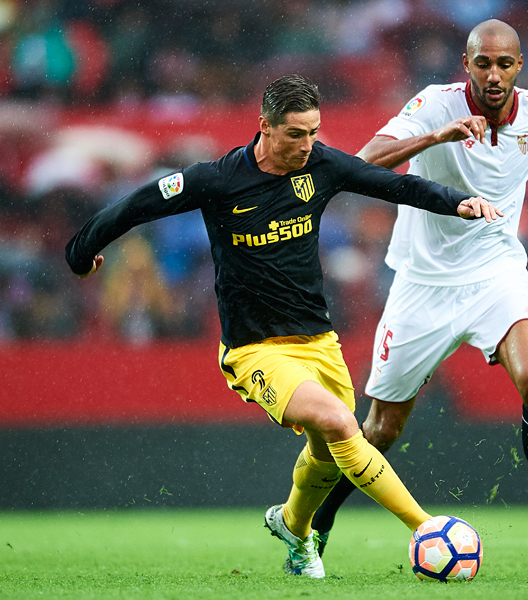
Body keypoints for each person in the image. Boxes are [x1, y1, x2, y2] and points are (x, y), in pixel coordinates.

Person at [65, 74, 501, 579]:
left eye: (313, 132)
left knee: (328, 451)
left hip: (320, 341)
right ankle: (426, 527)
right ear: (265, 127)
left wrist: (455, 201)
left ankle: (294, 529)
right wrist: (81, 252)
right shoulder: (217, 179)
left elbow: (394, 184)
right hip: (255, 348)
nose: (307, 144)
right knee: (341, 424)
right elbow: (138, 205)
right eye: (295, 134)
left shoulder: (321, 165)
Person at [311, 20, 528, 569]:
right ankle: (319, 521)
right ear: (467, 64)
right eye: (483, 63)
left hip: (496, 276)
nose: (493, 74)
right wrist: (435, 138)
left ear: (519, 67)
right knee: (381, 429)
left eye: (504, 64)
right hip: (422, 285)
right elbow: (360, 164)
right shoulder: (434, 105)